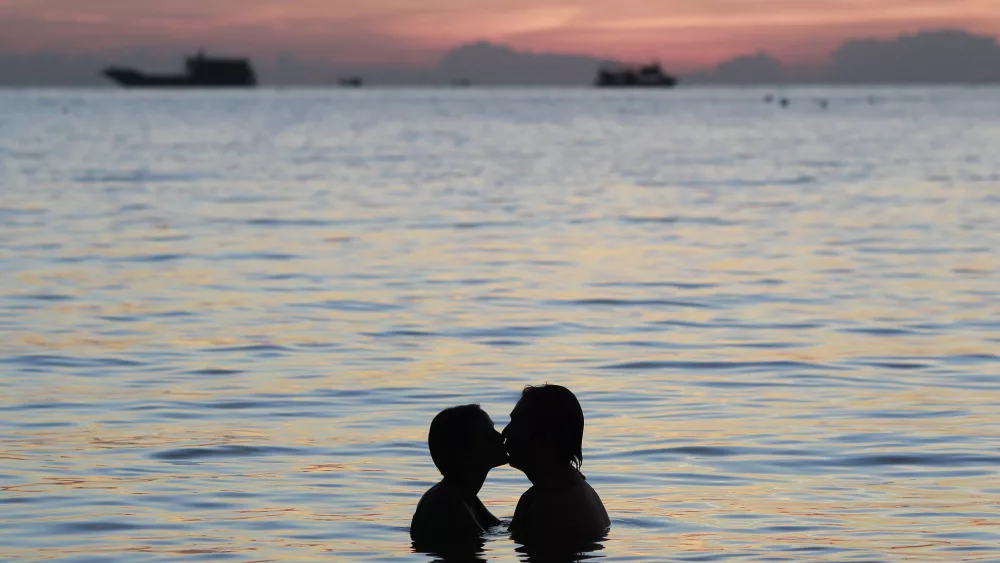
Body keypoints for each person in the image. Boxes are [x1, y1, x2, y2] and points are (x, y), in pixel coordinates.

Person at [503, 384, 610, 545]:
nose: (505, 432)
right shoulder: (555, 490)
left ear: (545, 437)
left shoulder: (552, 506)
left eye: (516, 423)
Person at [410, 404, 508, 545]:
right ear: (464, 450)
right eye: (487, 434)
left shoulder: (464, 496)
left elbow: (506, 529)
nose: (500, 437)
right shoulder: (445, 501)